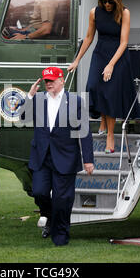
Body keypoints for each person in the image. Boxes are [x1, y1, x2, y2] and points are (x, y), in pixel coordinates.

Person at [67, 0, 140, 153]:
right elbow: (88, 38)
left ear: (116, 1)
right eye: (104, 1)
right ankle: (102, 119)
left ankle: (110, 136)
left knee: (110, 93)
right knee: (92, 86)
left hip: (118, 56)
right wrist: (76, 60)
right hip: (100, 53)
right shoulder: (94, 12)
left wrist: (111, 65)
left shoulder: (124, 13)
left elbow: (124, 42)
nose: (107, 5)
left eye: (110, 2)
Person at [26, 66, 94, 246]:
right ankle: (47, 215)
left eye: (52, 81)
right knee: (39, 192)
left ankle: (61, 234)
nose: (49, 84)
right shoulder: (38, 99)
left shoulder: (76, 101)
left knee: (62, 199)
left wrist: (88, 159)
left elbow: (85, 132)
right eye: (46, 81)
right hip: (42, 156)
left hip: (66, 156)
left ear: (61, 80)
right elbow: (22, 116)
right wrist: (30, 96)